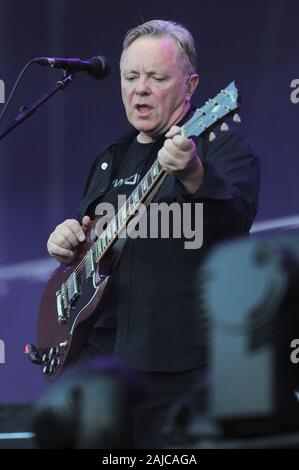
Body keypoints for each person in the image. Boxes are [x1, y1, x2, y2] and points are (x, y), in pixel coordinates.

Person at [46, 19, 260, 448]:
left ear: (190, 85)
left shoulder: (218, 143)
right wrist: (67, 245)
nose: (140, 89)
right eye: (131, 77)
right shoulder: (109, 158)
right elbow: (90, 249)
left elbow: (236, 223)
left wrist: (196, 174)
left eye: (156, 78)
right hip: (98, 367)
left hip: (176, 369)